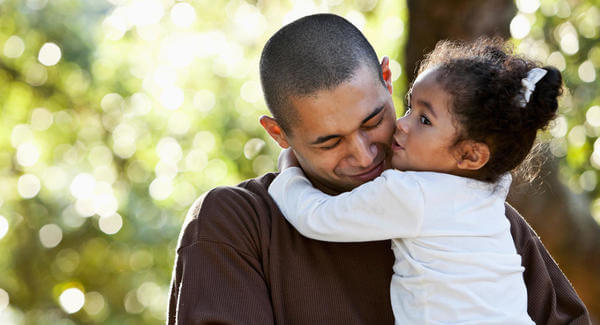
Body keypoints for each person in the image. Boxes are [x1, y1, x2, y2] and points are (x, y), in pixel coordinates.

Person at [167, 14, 590, 324]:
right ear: (280, 134)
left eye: (373, 122)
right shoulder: (236, 224)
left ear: (388, 80)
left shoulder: (477, 212)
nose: (365, 154)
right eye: (329, 142)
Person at [268, 38, 556, 324]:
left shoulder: (409, 194)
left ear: (470, 155)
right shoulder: (490, 195)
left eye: (424, 120)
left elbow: (316, 217)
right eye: (409, 108)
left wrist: (289, 170)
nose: (403, 124)